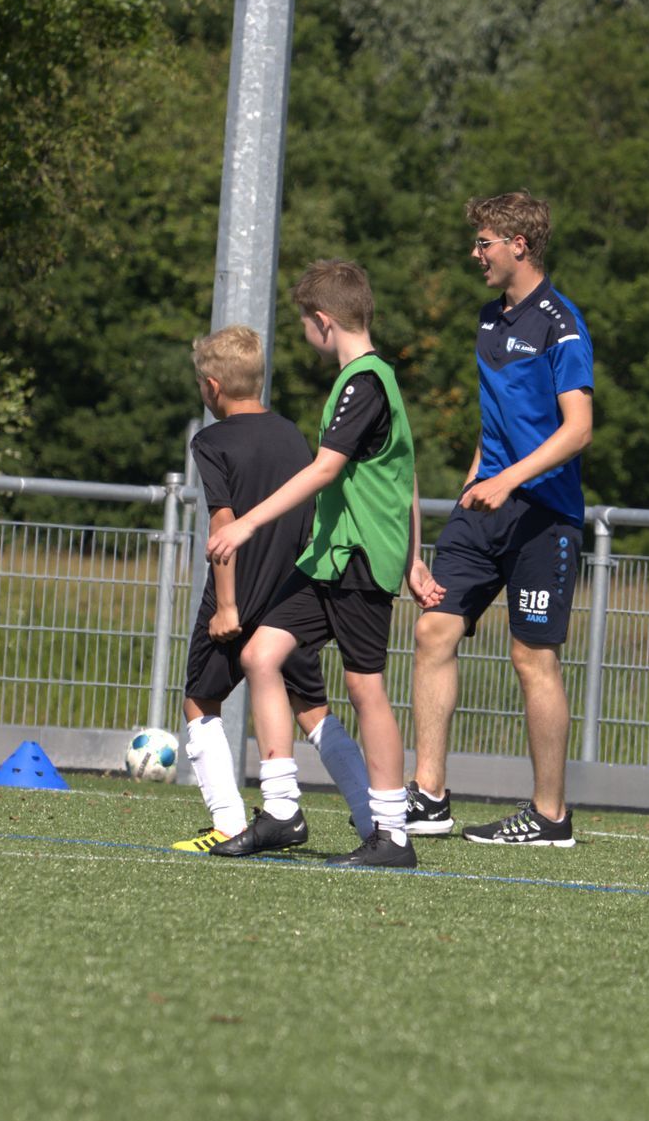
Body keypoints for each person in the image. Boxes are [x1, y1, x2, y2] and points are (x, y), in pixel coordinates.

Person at [206, 260, 431, 868]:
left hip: (359, 556)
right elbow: (405, 472)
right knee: (261, 654)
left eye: (305, 322)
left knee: (365, 688)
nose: (304, 333)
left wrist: (247, 523)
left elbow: (326, 469)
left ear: (323, 321)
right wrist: (417, 556)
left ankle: (392, 835)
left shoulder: (365, 382)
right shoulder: (364, 381)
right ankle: (282, 810)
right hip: (328, 556)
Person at [406, 192, 592, 847]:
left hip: (545, 515)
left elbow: (578, 429)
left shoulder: (561, 324)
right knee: (432, 628)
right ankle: (429, 796)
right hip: (483, 506)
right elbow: (495, 425)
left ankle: (549, 815)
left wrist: (509, 479)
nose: (475, 253)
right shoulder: (488, 319)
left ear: (519, 244)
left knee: (531, 656)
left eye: (484, 242)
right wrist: (473, 485)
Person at [173, 326, 376, 853]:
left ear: (212, 386)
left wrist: (227, 605)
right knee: (313, 710)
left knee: (200, 701)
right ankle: (372, 822)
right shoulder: (291, 433)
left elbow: (224, 524)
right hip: (291, 595)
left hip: (239, 592)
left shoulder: (210, 441)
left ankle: (228, 822)